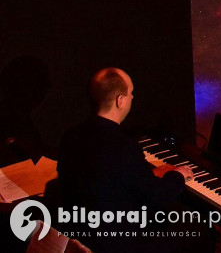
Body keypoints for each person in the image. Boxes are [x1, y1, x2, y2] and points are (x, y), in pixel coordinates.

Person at [57, 68, 197, 252]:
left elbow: (104, 180)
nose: (132, 98)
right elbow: (156, 198)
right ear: (120, 100)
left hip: (81, 232)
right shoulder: (123, 147)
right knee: (197, 231)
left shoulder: (71, 136)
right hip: (118, 242)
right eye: (131, 93)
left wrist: (149, 175)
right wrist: (177, 175)